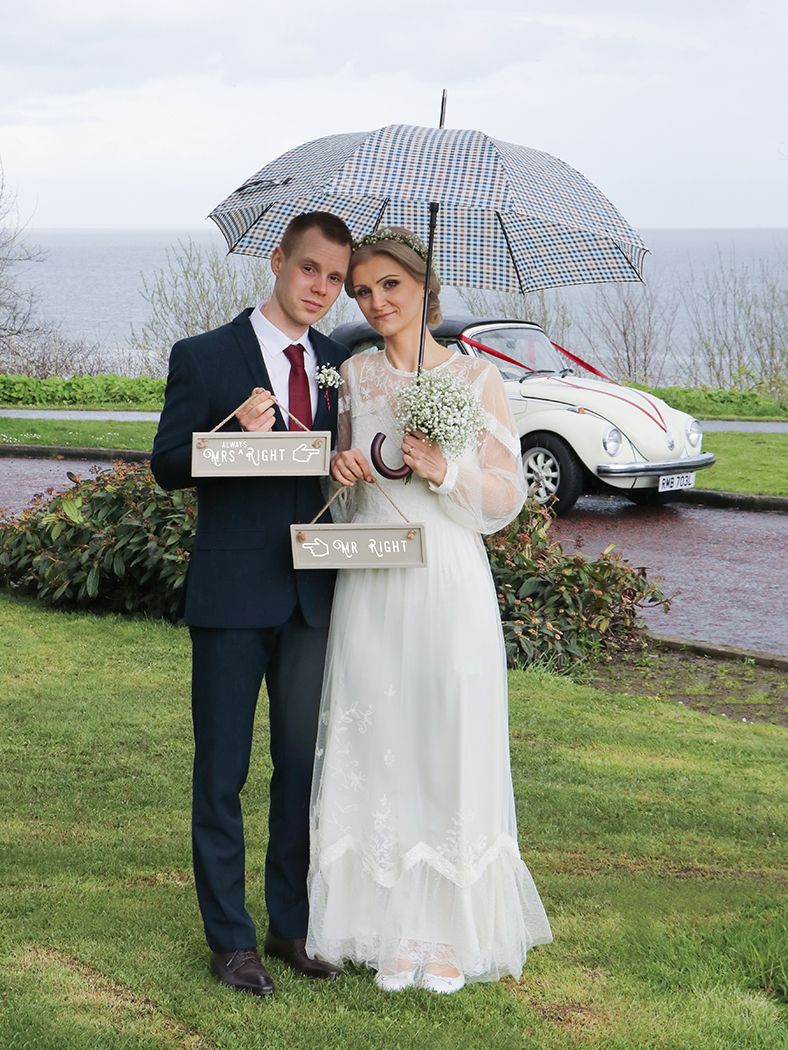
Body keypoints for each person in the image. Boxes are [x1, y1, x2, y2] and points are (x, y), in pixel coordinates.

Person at [306, 227, 552, 993]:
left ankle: (446, 930)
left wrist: (444, 470)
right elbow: (340, 496)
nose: (374, 302)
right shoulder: (354, 375)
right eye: (362, 291)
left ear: (424, 287)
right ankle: (386, 925)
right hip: (374, 581)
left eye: (390, 286)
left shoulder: (478, 379)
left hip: (447, 580)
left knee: (447, 740)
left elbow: (507, 496)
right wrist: (341, 469)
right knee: (379, 738)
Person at [151, 211, 352, 998]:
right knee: (222, 774)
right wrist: (232, 431)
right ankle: (231, 941)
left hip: (311, 597)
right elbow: (167, 464)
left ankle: (289, 927)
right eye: (310, 270)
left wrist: (355, 465)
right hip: (231, 596)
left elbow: (339, 463)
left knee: (299, 770)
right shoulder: (204, 356)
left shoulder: (338, 363)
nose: (321, 288)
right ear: (277, 261)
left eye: (335, 279)